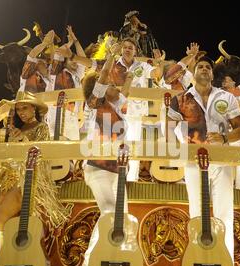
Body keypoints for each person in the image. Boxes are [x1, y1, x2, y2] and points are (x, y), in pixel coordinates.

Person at [0, 92, 72, 266]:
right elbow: (9, 162)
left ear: (34, 109)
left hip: (28, 183)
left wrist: (22, 139)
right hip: (9, 182)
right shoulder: (17, 132)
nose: (21, 113)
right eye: (18, 109)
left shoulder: (42, 128)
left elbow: (39, 153)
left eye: (25, 108)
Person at [167, 56, 240, 262]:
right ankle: (198, 259)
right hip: (193, 161)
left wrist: (225, 137)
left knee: (224, 212)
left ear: (212, 73)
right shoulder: (180, 99)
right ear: (193, 72)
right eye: (200, 66)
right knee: (196, 211)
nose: (204, 69)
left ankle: (224, 262)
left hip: (221, 160)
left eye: (208, 67)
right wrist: (179, 150)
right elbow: (168, 128)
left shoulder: (226, 97)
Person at [57, 36, 162, 181]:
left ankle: (129, 181)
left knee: (131, 149)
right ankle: (106, 178)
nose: (127, 50)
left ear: (135, 51)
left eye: (130, 48)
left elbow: (155, 74)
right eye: (124, 47)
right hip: (111, 112)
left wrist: (159, 65)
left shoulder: (142, 66)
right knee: (109, 148)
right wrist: (72, 56)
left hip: (134, 114)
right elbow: (91, 63)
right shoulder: (112, 63)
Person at [79, 48, 134, 266]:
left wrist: (129, 78)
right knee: (111, 213)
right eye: (111, 84)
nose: (115, 87)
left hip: (117, 169)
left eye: (114, 85)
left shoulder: (116, 107)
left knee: (121, 216)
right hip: (98, 166)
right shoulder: (95, 104)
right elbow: (101, 83)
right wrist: (110, 59)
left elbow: (125, 94)